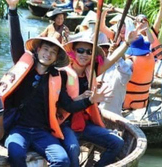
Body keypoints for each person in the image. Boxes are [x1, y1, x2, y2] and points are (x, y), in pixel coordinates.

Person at [0, 0, 107, 167]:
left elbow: (68, 105)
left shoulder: (58, 77)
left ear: (57, 57)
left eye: (53, 52)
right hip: (19, 129)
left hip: (42, 131)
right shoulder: (24, 67)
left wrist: (90, 100)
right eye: (45, 49)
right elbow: (15, 41)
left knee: (62, 160)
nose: (47, 54)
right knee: (16, 153)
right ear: (38, 49)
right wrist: (13, 10)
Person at [60, 25, 143, 167]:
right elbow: (61, 104)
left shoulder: (90, 71)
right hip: (66, 124)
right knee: (73, 149)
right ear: (73, 52)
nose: (84, 54)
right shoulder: (62, 73)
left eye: (88, 52)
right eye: (80, 50)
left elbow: (111, 59)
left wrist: (127, 43)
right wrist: (82, 98)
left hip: (85, 123)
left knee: (117, 143)